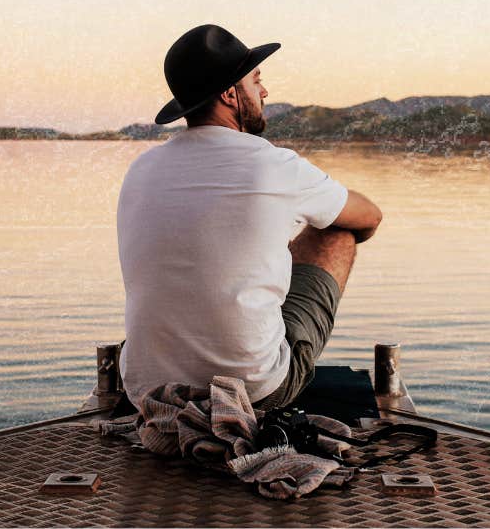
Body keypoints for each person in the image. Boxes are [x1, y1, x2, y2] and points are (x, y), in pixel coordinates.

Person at [116, 24, 383, 412]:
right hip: (254, 390)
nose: (265, 91)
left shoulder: (141, 169)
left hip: (147, 388)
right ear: (229, 94)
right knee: (337, 233)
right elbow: (369, 218)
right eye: (256, 80)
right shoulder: (273, 164)